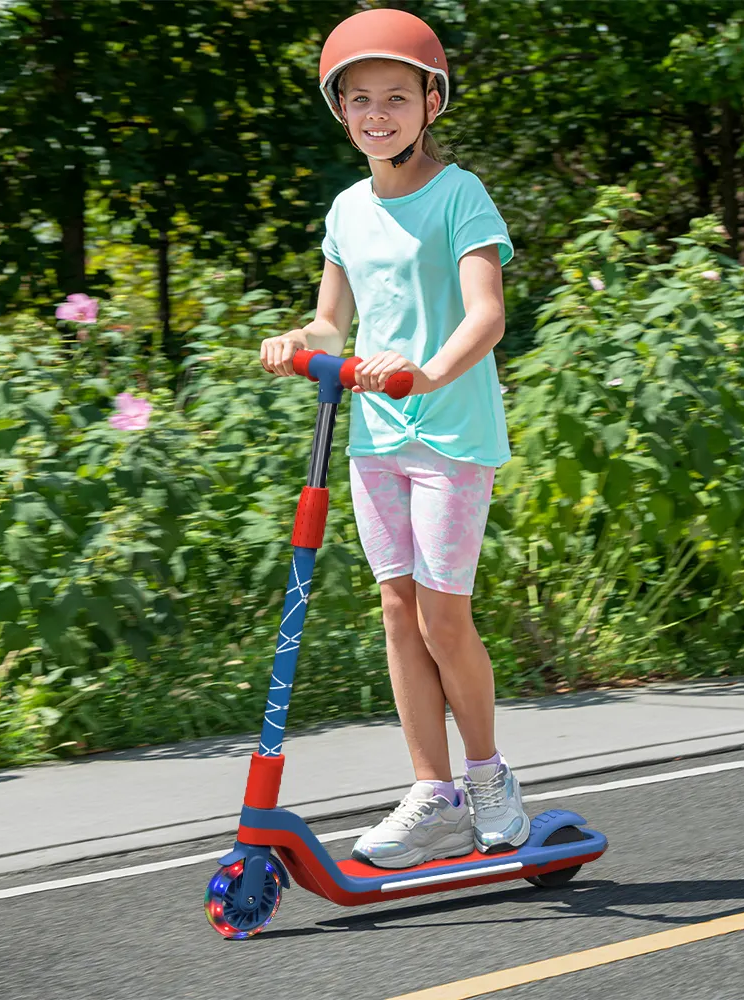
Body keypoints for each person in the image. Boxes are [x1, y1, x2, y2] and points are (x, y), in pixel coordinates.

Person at [260, 8, 527, 869]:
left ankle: (488, 778)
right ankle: (432, 792)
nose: (379, 113)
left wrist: (428, 372)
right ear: (342, 109)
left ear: (430, 104)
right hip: (374, 435)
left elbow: (485, 314)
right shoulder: (346, 209)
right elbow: (334, 323)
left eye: (397, 97)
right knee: (397, 612)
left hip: (449, 431)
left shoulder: (460, 195)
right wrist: (301, 344)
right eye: (361, 98)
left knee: (447, 618)